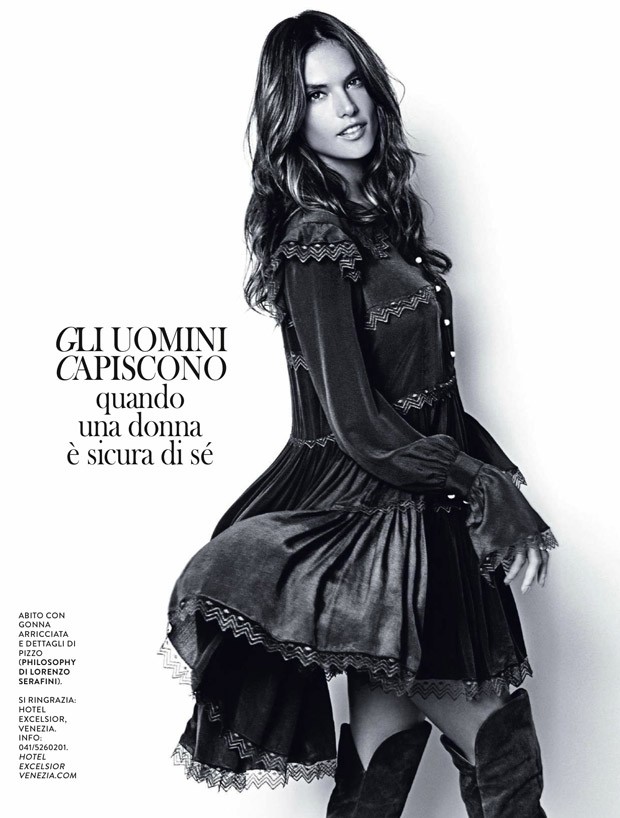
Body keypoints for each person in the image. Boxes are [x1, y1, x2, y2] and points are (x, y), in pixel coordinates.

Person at [160, 10, 557, 817]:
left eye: (352, 84)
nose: (346, 106)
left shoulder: (373, 222)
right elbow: (359, 423)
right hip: (377, 522)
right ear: (289, 115)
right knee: (500, 747)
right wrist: (480, 483)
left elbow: (431, 396)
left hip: (417, 519)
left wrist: (484, 484)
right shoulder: (315, 237)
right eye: (317, 94)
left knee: (383, 756)